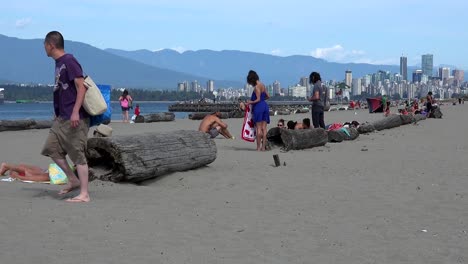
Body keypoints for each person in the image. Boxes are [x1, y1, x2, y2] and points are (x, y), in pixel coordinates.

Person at [42, 31, 90, 202]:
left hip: (74, 117)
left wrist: (76, 111)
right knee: (51, 148)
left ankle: (84, 194)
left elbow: (81, 87)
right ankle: (73, 179)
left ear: (51, 45)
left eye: (44, 45)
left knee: (77, 154)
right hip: (61, 117)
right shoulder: (58, 63)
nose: (44, 48)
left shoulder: (69, 60)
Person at [246, 70, 270, 151]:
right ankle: (263, 147)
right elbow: (268, 96)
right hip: (265, 106)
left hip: (258, 107)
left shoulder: (256, 87)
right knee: (264, 128)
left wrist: (250, 102)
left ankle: (258, 148)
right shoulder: (262, 85)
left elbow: (258, 99)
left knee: (258, 128)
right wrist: (263, 100)